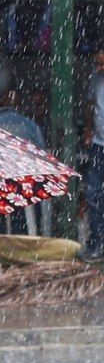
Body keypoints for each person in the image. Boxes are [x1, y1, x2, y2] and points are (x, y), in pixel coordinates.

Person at [0, 89, 47, 236]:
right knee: (32, 198)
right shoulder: (30, 125)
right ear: (19, 104)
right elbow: (42, 155)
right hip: (23, 185)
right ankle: (27, 234)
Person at [81, 49, 104, 262]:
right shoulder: (96, 79)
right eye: (96, 64)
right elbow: (90, 106)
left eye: (101, 64)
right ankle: (97, 242)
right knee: (93, 194)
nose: (98, 68)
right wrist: (88, 130)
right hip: (98, 144)